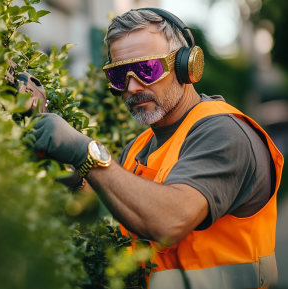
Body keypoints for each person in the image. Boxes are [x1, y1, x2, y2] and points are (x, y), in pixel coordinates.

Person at [31, 8, 283, 289]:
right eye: (119, 75)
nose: (133, 86)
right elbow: (108, 202)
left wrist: (83, 150)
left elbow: (169, 222)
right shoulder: (139, 147)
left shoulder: (224, 134)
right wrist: (68, 170)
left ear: (186, 66)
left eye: (147, 69)